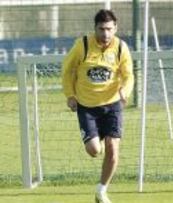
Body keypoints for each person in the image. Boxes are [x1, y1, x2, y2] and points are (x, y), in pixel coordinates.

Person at [61, 9, 134, 203]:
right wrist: (70, 95)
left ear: (116, 28)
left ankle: (101, 191)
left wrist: (124, 92)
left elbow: (128, 75)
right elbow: (67, 71)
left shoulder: (121, 48)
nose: (106, 34)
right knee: (94, 150)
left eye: (109, 29)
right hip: (87, 106)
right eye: (101, 29)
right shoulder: (82, 45)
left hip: (112, 105)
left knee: (112, 148)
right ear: (95, 28)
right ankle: (96, 137)